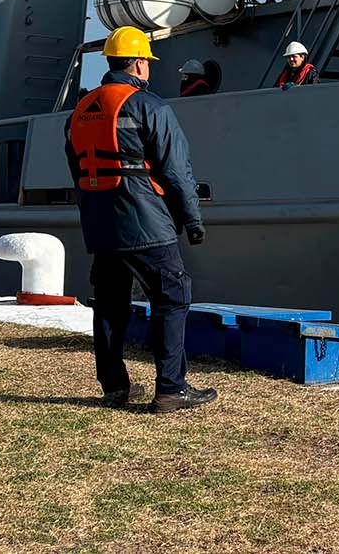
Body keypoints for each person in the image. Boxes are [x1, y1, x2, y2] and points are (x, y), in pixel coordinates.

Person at [65, 26, 215, 414]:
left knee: (110, 304)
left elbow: (77, 170)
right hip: (146, 221)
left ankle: (114, 388)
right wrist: (192, 220)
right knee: (171, 296)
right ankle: (171, 389)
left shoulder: (80, 111)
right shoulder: (149, 106)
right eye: (147, 61)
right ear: (138, 64)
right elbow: (176, 170)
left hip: (100, 223)